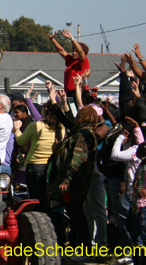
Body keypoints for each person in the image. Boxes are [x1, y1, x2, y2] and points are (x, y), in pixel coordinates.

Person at [47, 105, 102, 250]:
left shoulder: (84, 134)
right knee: (73, 215)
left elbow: (78, 158)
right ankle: (73, 246)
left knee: (77, 216)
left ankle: (84, 248)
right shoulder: (79, 132)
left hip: (76, 182)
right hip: (73, 181)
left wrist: (67, 180)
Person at [15, 100, 60, 205]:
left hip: (35, 165)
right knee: (49, 197)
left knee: (36, 198)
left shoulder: (36, 125)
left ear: (46, 110)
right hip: (52, 165)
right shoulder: (60, 126)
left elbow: (21, 140)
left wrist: (16, 129)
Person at [48, 30, 90, 100]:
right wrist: (52, 39)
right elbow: (61, 50)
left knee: (75, 110)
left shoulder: (83, 62)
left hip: (77, 92)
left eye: (76, 51)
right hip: (68, 93)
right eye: (73, 50)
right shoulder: (71, 61)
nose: (73, 52)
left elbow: (80, 51)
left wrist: (71, 38)